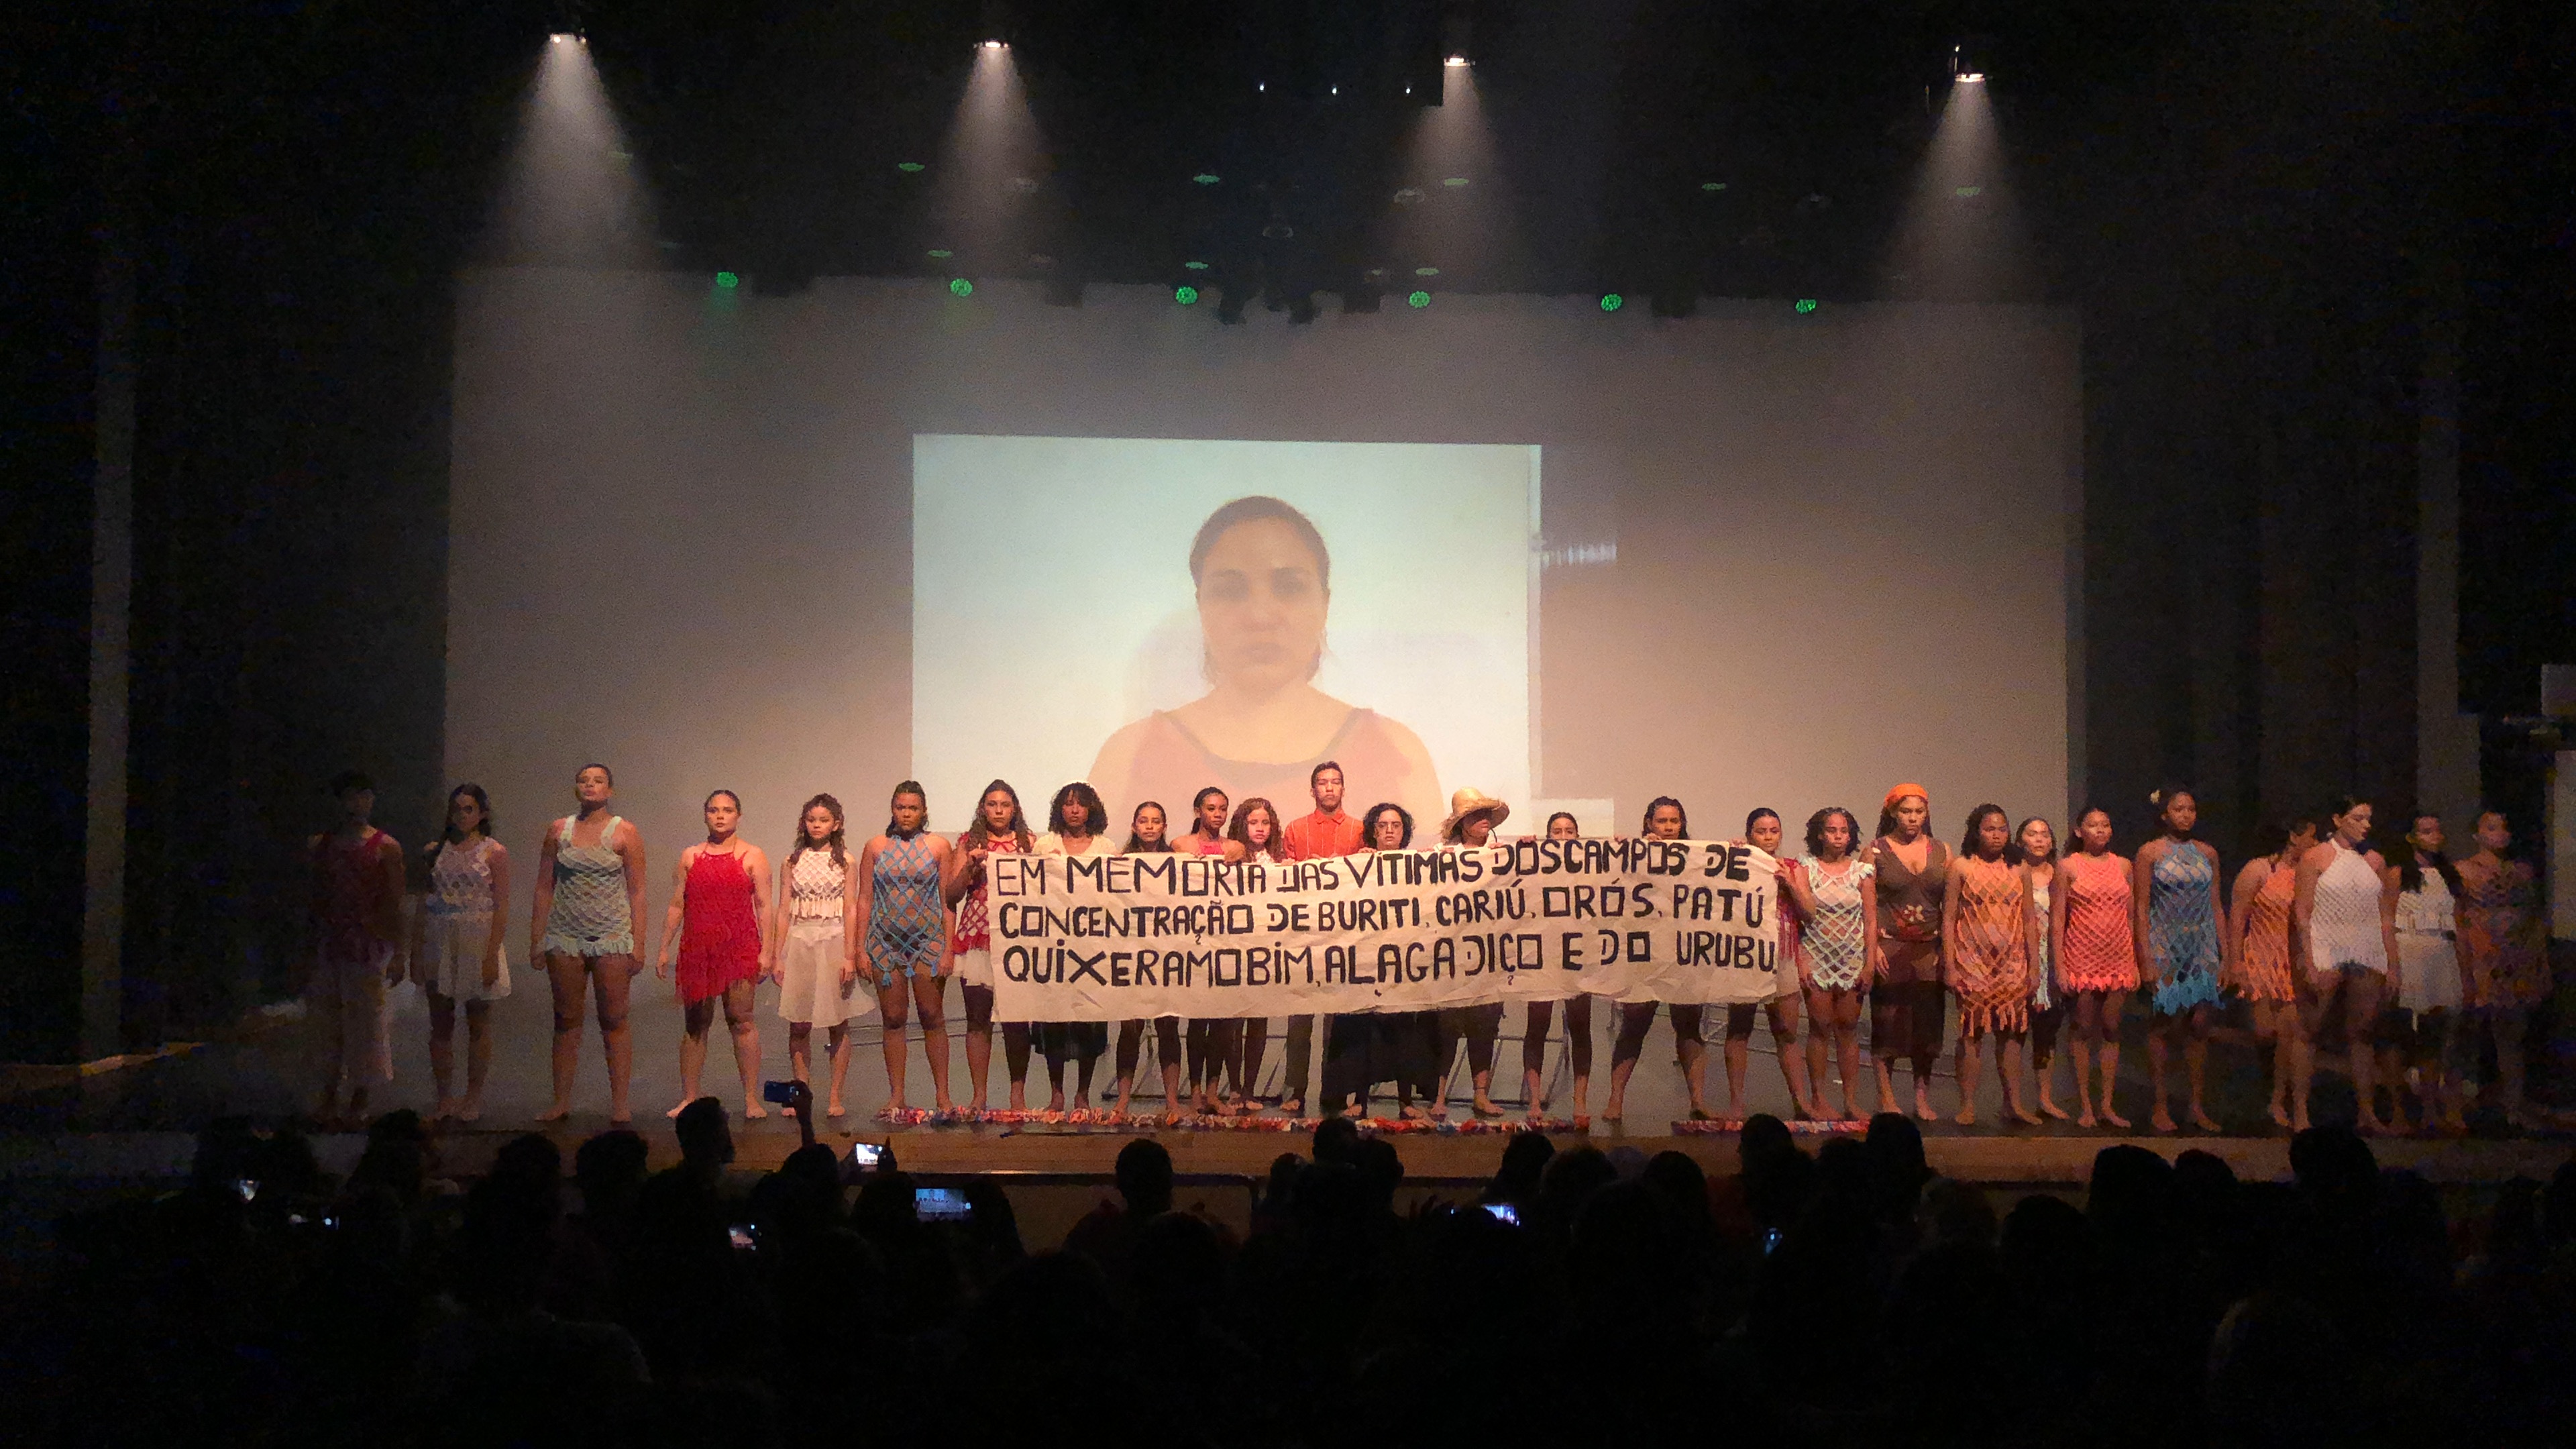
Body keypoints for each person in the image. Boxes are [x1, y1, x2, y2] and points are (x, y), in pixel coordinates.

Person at [1086, 495, 1443, 837]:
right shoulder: (1127, 759)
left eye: (1289, 587)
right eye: (1230, 590)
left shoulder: (1398, 755)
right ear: (1202, 606)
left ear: (1324, 604)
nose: (1260, 616)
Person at [530, 763, 648, 1124]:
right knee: (566, 1019)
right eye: (583, 781)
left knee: (614, 1019)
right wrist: (537, 938)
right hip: (565, 935)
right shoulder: (558, 830)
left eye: (598, 781)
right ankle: (561, 1101)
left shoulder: (625, 831)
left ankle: (620, 1104)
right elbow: (544, 887)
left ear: (610, 790)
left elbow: (638, 890)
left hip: (611, 935)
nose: (590, 786)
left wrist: (638, 943)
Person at [653, 791, 771, 1120]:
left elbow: (764, 906)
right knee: (695, 1025)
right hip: (698, 949)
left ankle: (751, 1099)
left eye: (727, 810)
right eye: (714, 810)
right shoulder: (690, 856)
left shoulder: (752, 855)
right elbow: (677, 904)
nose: (720, 816)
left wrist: (768, 951)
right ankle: (689, 1097)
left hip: (739, 948)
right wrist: (663, 947)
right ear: (705, 815)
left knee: (742, 1020)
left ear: (738, 816)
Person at [2290, 795, 2402, 1134]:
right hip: (2327, 947)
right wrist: (2308, 959)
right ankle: (2300, 1111)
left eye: (2368, 819)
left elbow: (2386, 918)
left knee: (2363, 1032)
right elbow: (2302, 912)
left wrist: (2392, 963)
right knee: (2310, 1029)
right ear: (2338, 819)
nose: (2366, 825)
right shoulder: (2316, 857)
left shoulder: (2375, 861)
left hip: (2366, 949)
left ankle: (2366, 1112)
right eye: (2358, 818)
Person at [1320, 803, 1438, 1118]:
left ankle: (1406, 1102)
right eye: (1383, 825)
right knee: (1361, 1031)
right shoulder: (1359, 863)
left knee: (1403, 1032)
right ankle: (1359, 1099)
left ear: (1404, 831)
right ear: (1373, 830)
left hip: (1403, 963)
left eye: (1396, 825)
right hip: (1366, 961)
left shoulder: (1417, 865)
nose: (1389, 831)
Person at [308, 770, 407, 1128]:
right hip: (329, 944)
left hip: (367, 945)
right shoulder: (320, 845)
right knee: (327, 1024)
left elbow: (394, 902)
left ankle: (360, 1095)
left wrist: (399, 952)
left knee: (367, 1024)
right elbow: (314, 898)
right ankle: (328, 1094)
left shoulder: (385, 847)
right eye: (351, 797)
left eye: (364, 796)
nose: (358, 804)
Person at [1607, 796, 1712, 1124]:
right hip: (1645, 954)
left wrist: (1737, 851)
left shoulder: (1697, 858)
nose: (1668, 827)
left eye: (1674, 821)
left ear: (1682, 824)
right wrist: (1629, 850)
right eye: (1662, 821)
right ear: (1649, 823)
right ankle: (1615, 1100)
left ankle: (1698, 1101)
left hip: (1683, 954)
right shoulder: (1636, 854)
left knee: (1689, 1027)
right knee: (1634, 1027)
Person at [853, 782, 954, 1116]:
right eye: (900, 807)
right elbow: (864, 899)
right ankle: (897, 1095)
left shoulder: (939, 846)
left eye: (913, 808)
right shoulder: (876, 846)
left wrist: (948, 948)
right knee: (893, 1018)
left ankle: (942, 1097)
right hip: (885, 943)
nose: (906, 814)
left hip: (928, 941)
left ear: (923, 811)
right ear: (892, 810)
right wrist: (860, 949)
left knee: (932, 1016)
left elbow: (948, 901)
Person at [2133, 787, 2231, 1133]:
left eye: (2191, 809)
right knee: (2164, 1023)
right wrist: (2145, 957)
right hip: (2165, 944)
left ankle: (2196, 1105)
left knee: (2200, 1025)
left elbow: (2216, 904)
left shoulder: (2208, 853)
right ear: (2165, 814)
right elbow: (2141, 907)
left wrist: (2226, 955)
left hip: (2201, 945)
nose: (2186, 815)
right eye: (2178, 809)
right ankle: (2160, 1104)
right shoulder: (2150, 853)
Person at [412, 783, 511, 1123]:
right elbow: (424, 902)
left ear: (482, 813)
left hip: (477, 937)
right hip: (441, 937)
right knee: (441, 1023)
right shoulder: (434, 850)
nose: (462, 815)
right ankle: (444, 1098)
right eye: (457, 809)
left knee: (478, 1022)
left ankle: (473, 1097)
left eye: (469, 809)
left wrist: (491, 955)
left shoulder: (494, 852)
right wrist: (416, 952)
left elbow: (501, 906)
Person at [943, 781, 1037, 1113]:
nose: (998, 810)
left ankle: (1017, 1095)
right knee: (978, 1019)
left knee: (1017, 1020)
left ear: (1015, 809)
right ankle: (979, 1095)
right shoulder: (968, 843)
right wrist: (970, 867)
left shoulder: (1029, 843)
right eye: (992, 804)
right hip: (978, 933)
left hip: (1018, 938)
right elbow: (952, 895)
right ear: (983, 808)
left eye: (1005, 805)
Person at [1941, 803, 2038, 1126]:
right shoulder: (1961, 867)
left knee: (2011, 1035)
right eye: (1989, 829)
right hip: (1972, 962)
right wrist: (1950, 965)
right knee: (1972, 1034)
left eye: (2002, 829)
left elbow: (2029, 919)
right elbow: (1949, 917)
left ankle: (2014, 1104)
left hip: (2012, 963)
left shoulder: (2020, 868)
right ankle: (1967, 1105)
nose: (1996, 835)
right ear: (1976, 832)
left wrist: (2034, 968)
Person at [1279, 761, 1366, 1116]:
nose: (1329, 788)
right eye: (1323, 782)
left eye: (1335, 782)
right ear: (1312, 789)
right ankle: (1295, 1091)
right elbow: (1280, 881)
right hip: (1302, 938)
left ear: (1344, 788)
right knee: (1299, 1022)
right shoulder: (1295, 828)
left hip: (1345, 939)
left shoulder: (1361, 829)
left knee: (1338, 1025)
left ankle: (1334, 1094)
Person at [1861, 785, 1949, 1122]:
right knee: (1887, 1023)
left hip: (1929, 949)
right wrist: (1873, 949)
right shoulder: (1875, 851)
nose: (1913, 818)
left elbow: (1950, 906)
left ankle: (1922, 1098)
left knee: (1927, 1027)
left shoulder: (1942, 851)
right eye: (1906, 811)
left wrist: (1946, 948)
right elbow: (1867, 907)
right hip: (1891, 946)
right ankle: (1886, 1096)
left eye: (1919, 812)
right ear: (1893, 813)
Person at [1724, 808, 1818, 1121]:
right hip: (1745, 956)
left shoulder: (1793, 867)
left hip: (1783, 955)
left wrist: (1789, 883)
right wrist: (1732, 855)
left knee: (1787, 1032)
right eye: (1761, 831)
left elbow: (1810, 913)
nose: (1767, 837)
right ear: (1750, 834)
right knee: (1739, 1029)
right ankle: (1737, 1104)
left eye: (1773, 831)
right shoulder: (1738, 862)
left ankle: (1800, 1101)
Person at [2455, 810, 2547, 1129]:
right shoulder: (2464, 870)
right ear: (2477, 835)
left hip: (2515, 959)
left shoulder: (2522, 871)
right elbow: (2459, 917)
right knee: (2467, 1030)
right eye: (2492, 828)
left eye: (2504, 827)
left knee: (2512, 1034)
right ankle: (2456, 1105)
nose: (2500, 833)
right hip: (2480, 958)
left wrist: (2538, 962)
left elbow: (2534, 918)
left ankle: (2513, 1106)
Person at [771, 794, 861, 1120]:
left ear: (836, 824)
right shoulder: (791, 861)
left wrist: (850, 956)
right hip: (800, 942)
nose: (817, 826)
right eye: (811, 820)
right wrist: (778, 956)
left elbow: (850, 909)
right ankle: (801, 1093)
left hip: (833, 941)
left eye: (824, 820)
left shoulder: (845, 861)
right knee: (799, 1023)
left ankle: (835, 1095)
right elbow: (784, 910)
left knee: (837, 1022)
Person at [1780, 806, 1870, 1123]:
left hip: (1851, 957)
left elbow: (1871, 920)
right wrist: (1802, 960)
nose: (1838, 837)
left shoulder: (1862, 872)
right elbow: (1800, 915)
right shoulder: (1806, 868)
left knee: (1848, 1029)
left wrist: (1870, 963)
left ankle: (1851, 1101)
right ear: (1820, 834)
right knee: (1819, 1027)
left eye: (1844, 831)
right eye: (1832, 831)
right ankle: (1819, 1097)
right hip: (1816, 954)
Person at [2227, 816, 2316, 1128]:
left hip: (2294, 961)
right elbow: (2238, 916)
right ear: (2294, 837)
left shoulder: (2309, 874)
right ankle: (2257, 1091)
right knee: (2265, 1032)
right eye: (2312, 837)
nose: (2316, 845)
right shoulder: (2260, 869)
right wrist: (2235, 962)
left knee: (2291, 1033)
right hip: (2262, 957)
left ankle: (2283, 1101)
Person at [2053, 806, 2137, 1128]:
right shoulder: (2068, 866)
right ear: (2079, 831)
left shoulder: (2124, 865)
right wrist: (2061, 966)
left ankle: (2107, 1105)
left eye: (2105, 825)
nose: (2100, 830)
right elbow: (2058, 919)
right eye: (2093, 825)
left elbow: (2131, 915)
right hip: (2082, 956)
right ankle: (2086, 1105)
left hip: (2117, 956)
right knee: (2083, 1027)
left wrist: (2134, 961)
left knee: (2112, 1026)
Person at [1034, 782, 1116, 1113]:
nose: (1074, 810)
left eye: (1081, 804)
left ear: (1091, 808)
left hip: (1092, 945)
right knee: (1053, 1018)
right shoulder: (1045, 844)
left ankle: (1083, 1093)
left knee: (1090, 1020)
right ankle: (1057, 1093)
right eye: (1068, 804)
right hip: (1052, 944)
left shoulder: (1106, 847)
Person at [2386, 812, 2467, 1134]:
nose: (2434, 837)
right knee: (2402, 1033)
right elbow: (2387, 920)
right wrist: (2392, 965)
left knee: (2435, 1032)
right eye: (2426, 831)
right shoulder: (2398, 874)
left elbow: (2459, 924)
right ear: (2412, 837)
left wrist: (2465, 968)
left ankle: (2431, 1110)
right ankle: (2397, 1110)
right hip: (2408, 950)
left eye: (2437, 831)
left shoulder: (2448, 875)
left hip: (2441, 952)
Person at [1435, 788, 1513, 1118]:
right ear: (1461, 824)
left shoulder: (1503, 855)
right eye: (1475, 815)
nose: (1483, 820)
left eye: (1486, 815)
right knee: (1447, 1030)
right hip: (1451, 957)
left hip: (1490, 957)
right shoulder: (1440, 857)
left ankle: (1481, 1095)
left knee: (1485, 1029)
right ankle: (1439, 1096)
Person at [1109, 802, 1187, 1123]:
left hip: (1167, 955)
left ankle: (1172, 1101)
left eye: (1156, 821)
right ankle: (1123, 1100)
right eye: (1144, 821)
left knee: (1168, 1028)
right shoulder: (1118, 863)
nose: (1150, 827)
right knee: (1130, 1029)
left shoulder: (1178, 862)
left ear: (1164, 826)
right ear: (1134, 826)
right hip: (1131, 953)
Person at [1523, 810, 1596, 1124]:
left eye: (1569, 831)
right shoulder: (1535, 864)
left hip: (1579, 956)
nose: (1563, 837)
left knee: (1580, 1028)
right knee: (1537, 1027)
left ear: (1578, 836)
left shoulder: (1592, 867)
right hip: (1542, 955)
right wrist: (1522, 852)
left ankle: (1580, 1101)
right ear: (1548, 836)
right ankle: (1534, 1100)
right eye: (1557, 831)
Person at [1178, 786, 1245, 1114]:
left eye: (1222, 809)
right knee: (1196, 1024)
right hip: (1193, 943)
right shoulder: (1181, 845)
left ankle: (1213, 1091)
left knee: (1221, 1025)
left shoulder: (1235, 847)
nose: (1217, 814)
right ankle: (1194, 1091)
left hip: (1226, 944)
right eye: (1211, 808)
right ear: (1198, 811)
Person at [1227, 796, 1289, 1110]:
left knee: (1258, 1023)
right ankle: (1234, 1088)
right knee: (1233, 1023)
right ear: (1242, 824)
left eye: (1266, 822)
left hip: (1266, 949)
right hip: (1234, 947)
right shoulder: (1229, 855)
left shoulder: (1278, 860)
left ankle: (1250, 1089)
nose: (1260, 828)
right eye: (1253, 822)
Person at [2014, 817, 2067, 1120]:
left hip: (2053, 957)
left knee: (2047, 1032)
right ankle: (2013, 1100)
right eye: (2032, 834)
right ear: (2020, 840)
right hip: (2018, 957)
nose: (2039, 840)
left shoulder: (2059, 873)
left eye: (2044, 834)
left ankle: (2045, 1097)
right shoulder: (2013, 872)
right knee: (2016, 1031)